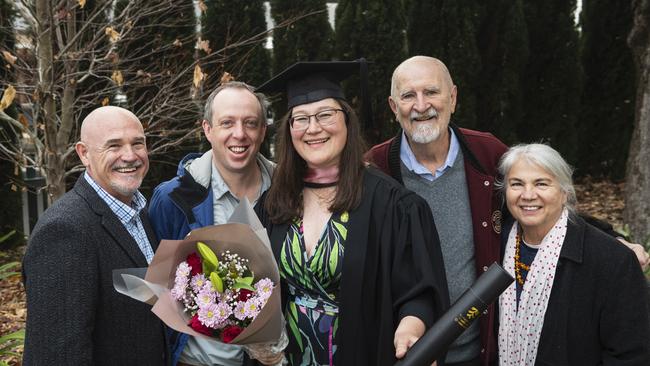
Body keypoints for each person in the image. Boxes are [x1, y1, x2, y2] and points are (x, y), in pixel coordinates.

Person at [365, 55, 650, 366]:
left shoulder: (487, 153)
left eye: (432, 92)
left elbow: (535, 203)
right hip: (409, 351)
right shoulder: (375, 170)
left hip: (485, 348)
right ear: (394, 107)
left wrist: (609, 242)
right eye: (409, 95)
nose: (421, 105)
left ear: (453, 98)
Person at [254, 60, 450, 365]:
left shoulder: (392, 205)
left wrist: (412, 326)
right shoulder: (273, 203)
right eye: (300, 118)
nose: (313, 128)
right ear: (289, 130)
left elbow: (419, 291)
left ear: (347, 121)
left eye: (325, 115)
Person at [22, 106, 169, 365]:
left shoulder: (141, 214)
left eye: (138, 143)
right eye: (114, 146)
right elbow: (58, 354)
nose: (130, 155)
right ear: (84, 154)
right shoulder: (64, 230)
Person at [148, 81, 275, 366]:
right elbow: (156, 291)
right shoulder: (173, 200)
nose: (239, 134)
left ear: (263, 131)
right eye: (227, 122)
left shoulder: (287, 193)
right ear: (207, 129)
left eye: (250, 123)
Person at [497, 143, 650, 365]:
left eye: (541, 183)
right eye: (517, 184)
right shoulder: (495, 245)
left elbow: (631, 353)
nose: (528, 195)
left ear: (564, 192)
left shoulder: (612, 261)